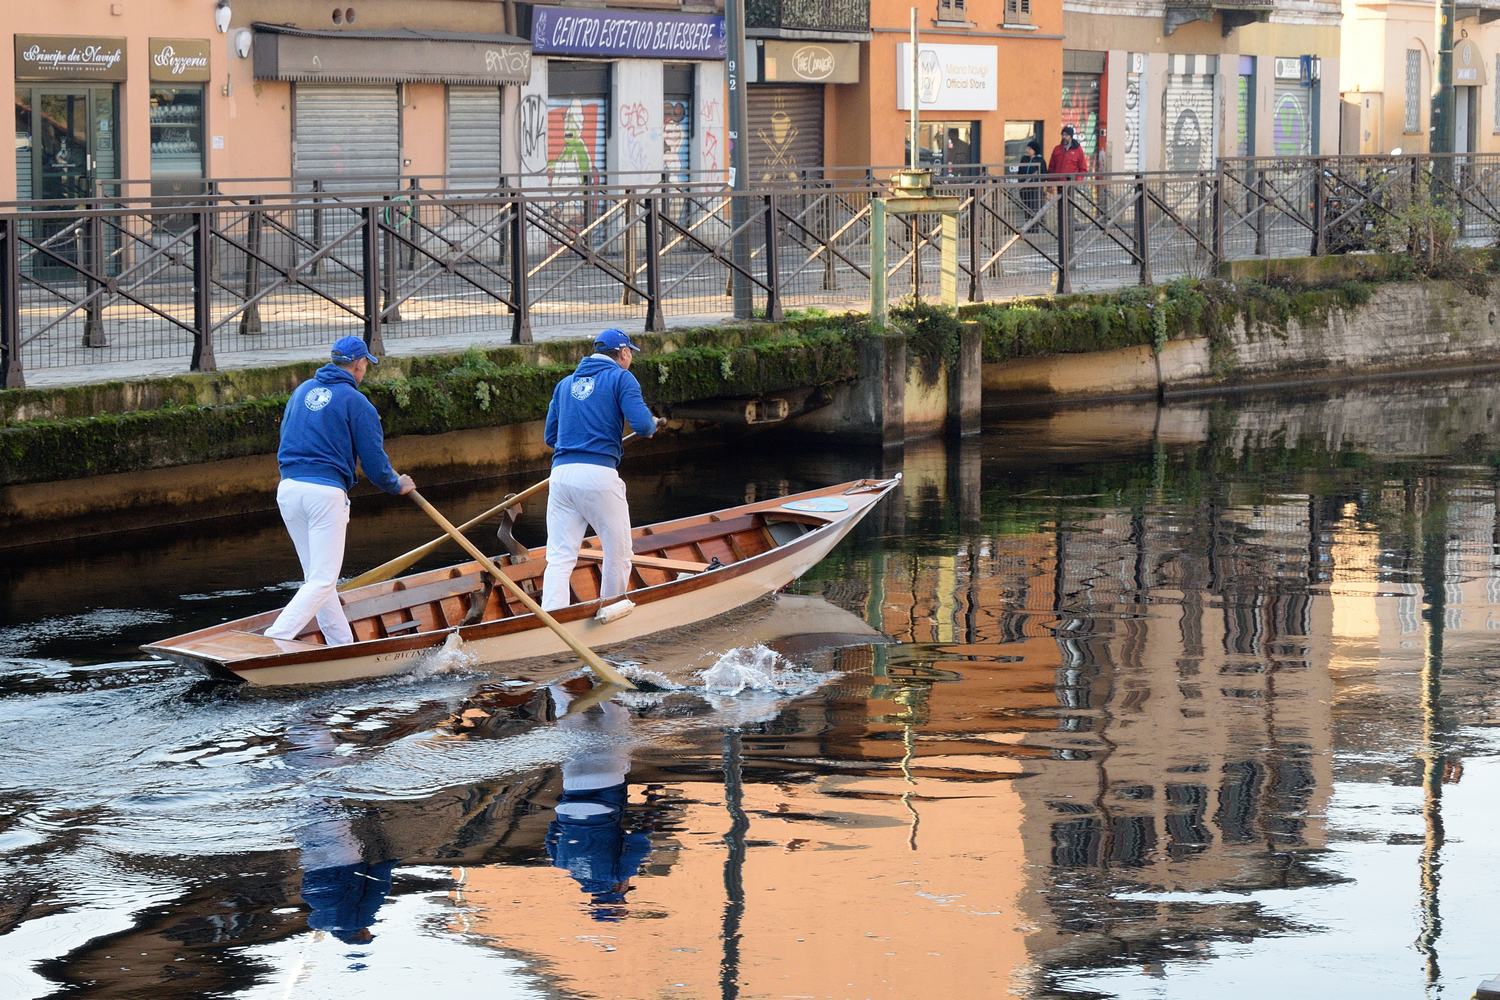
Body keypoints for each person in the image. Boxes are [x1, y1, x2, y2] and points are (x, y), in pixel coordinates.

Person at [265, 336, 415, 645]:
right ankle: (272, 640)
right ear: (360, 365)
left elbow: (286, 436)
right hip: (324, 494)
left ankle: (342, 645)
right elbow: (374, 462)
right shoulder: (357, 403)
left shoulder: (301, 391)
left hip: (289, 489)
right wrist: (396, 484)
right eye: (365, 366)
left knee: (317, 579)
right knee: (322, 580)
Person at [540, 329, 659, 612]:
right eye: (630, 353)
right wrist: (652, 424)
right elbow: (643, 426)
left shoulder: (564, 384)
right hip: (599, 476)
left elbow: (550, 438)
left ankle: (551, 617)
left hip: (561, 476)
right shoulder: (621, 378)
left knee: (559, 557)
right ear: (624, 353)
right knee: (618, 553)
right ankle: (610, 609)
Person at [1017, 136, 1047, 215]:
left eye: (1029, 149)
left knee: (1034, 208)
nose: (1027, 150)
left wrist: (1038, 182)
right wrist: (1020, 181)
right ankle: (1027, 221)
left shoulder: (1040, 160)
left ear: (1035, 150)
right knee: (1026, 208)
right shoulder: (1024, 159)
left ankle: (1035, 222)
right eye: (1027, 148)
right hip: (1024, 188)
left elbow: (1044, 174)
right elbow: (1020, 171)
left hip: (1035, 188)